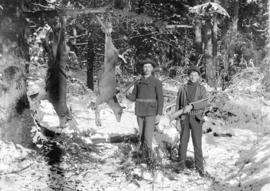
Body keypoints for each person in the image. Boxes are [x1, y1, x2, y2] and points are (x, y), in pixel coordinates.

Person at [126, 58, 164, 159]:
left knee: (148, 136)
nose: (146, 69)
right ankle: (143, 156)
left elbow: (160, 99)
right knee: (142, 135)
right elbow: (134, 96)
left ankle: (148, 159)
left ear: (152, 69)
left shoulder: (157, 82)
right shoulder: (138, 82)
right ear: (143, 68)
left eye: (149, 67)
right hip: (140, 111)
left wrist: (159, 114)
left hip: (151, 112)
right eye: (145, 67)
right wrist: (127, 95)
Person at [175, 65, 208, 176]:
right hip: (184, 118)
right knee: (183, 142)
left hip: (196, 119)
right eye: (191, 75)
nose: (193, 77)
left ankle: (199, 168)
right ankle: (180, 166)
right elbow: (178, 104)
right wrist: (177, 120)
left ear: (198, 76)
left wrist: (193, 107)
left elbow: (204, 103)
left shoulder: (202, 89)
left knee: (197, 144)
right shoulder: (182, 88)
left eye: (195, 75)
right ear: (188, 76)